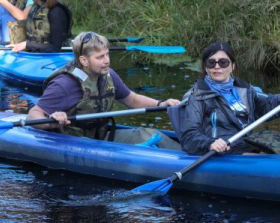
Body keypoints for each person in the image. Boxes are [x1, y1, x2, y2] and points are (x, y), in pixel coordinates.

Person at [26, 31, 181, 146]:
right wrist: (51, 120)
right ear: (84, 61)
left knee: (148, 134)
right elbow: (32, 116)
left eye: (107, 54)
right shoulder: (64, 84)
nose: (107, 61)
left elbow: (132, 99)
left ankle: (191, 157)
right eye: (100, 57)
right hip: (72, 144)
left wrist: (161, 104)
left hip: (101, 138)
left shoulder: (108, 75)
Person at [179, 41, 280, 156]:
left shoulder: (245, 90)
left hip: (247, 143)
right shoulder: (197, 96)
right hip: (222, 150)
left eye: (223, 62)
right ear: (206, 67)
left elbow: (269, 104)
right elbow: (189, 136)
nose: (217, 66)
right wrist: (210, 143)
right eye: (211, 62)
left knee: (277, 141)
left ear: (232, 66)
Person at [8, 0, 72, 53]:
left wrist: (27, 45)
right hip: (36, 53)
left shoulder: (56, 12)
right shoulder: (35, 7)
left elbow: (55, 48)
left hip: (55, 56)